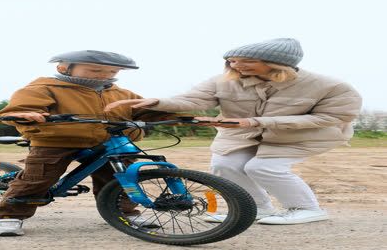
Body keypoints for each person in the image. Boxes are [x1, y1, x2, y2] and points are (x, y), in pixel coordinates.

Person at [104, 38, 362, 225]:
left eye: (247, 61)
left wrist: (255, 122)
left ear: (277, 64)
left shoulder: (331, 86)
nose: (236, 65)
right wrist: (158, 103)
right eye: (232, 61)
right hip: (238, 133)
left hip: (299, 136)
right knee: (225, 166)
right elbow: (194, 100)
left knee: (262, 168)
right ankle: (258, 208)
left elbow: (335, 117)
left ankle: (306, 208)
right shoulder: (222, 81)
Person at [0, 50, 184, 236]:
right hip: (57, 140)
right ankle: (6, 216)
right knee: (39, 177)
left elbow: (146, 111)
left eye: (112, 71)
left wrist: (188, 118)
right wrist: (24, 114)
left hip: (108, 142)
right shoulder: (44, 87)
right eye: (95, 70)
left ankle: (124, 213)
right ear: (63, 68)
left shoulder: (121, 93)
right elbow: (20, 108)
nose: (104, 74)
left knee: (119, 176)